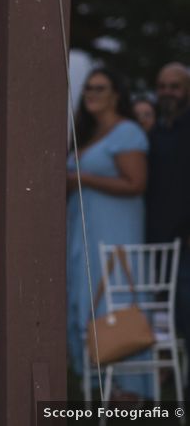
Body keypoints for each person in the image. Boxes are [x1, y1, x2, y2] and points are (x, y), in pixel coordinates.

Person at [66, 67, 152, 401]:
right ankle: (98, 381)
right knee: (84, 300)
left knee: (112, 303)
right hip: (83, 231)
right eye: (88, 88)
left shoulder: (127, 132)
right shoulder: (87, 135)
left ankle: (129, 388)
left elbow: (136, 183)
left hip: (115, 233)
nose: (91, 94)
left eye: (100, 88)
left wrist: (83, 179)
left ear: (116, 93)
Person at [144, 62, 190, 405]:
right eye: (162, 86)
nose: (167, 92)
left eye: (174, 86)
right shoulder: (156, 131)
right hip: (156, 240)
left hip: (186, 242)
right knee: (163, 321)